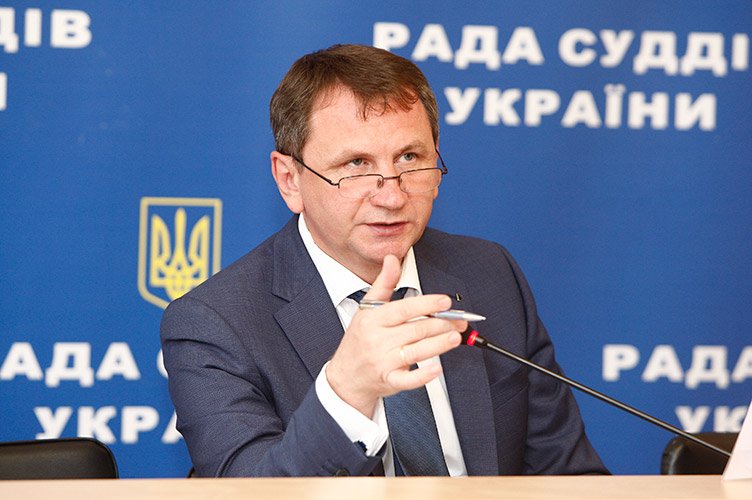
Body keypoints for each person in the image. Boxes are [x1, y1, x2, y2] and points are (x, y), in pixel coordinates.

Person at [161, 44, 608, 477]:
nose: (392, 197)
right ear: (289, 179)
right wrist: (347, 392)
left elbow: (569, 477)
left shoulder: (490, 273)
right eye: (356, 164)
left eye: (410, 158)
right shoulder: (215, 324)